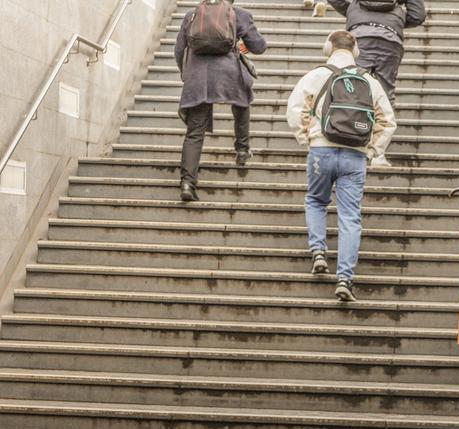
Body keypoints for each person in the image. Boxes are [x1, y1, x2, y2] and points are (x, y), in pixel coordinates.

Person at [286, 31, 396, 302]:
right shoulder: (369, 81)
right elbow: (387, 120)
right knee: (350, 216)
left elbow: (294, 109)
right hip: (354, 156)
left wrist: (308, 138)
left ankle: (319, 252)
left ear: (328, 48)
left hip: (321, 151)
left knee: (315, 200)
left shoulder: (314, 76)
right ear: (356, 50)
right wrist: (372, 150)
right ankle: (345, 278)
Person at [175, 0, 268, 201]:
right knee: (242, 101)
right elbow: (259, 46)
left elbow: (179, 50)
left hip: (198, 78)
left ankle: (187, 183)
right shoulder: (238, 14)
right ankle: (242, 150)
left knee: (195, 131)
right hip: (229, 75)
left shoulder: (191, 15)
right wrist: (243, 44)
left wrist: (186, 74)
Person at [328, 1, 426, 101]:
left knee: (353, 85)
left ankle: (352, 114)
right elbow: (417, 16)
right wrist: (396, 20)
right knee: (385, 91)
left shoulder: (356, 6)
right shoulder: (396, 8)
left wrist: (352, 11)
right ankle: (384, 115)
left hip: (361, 38)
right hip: (390, 39)